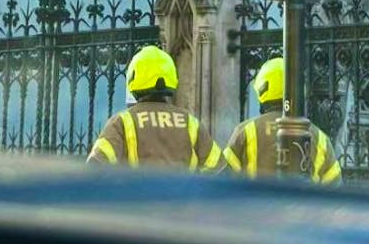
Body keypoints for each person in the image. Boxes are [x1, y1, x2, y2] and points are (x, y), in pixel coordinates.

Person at [87, 45, 223, 170]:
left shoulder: (122, 122)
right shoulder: (191, 123)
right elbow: (219, 170)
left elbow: (95, 168)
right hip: (184, 196)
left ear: (134, 77)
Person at [223, 56, 341, 184]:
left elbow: (223, 184)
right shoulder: (319, 138)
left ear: (262, 89)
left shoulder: (245, 132)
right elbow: (336, 192)